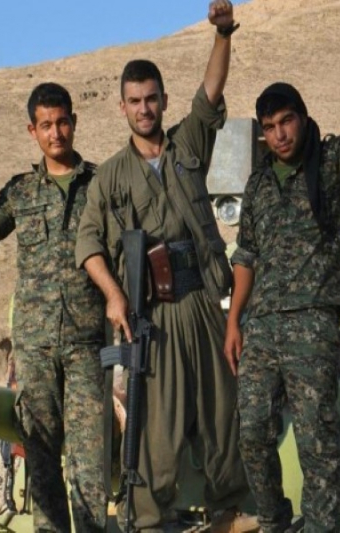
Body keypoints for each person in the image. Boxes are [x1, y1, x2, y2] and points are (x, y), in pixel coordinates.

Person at [223, 5, 340, 532]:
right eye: (270, 128)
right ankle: (275, 521)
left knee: (316, 440)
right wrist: (234, 321)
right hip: (262, 326)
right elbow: (246, 255)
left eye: (287, 122)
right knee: (252, 432)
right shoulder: (259, 185)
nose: (280, 134)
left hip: (312, 324)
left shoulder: (330, 166)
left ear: (302, 119)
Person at [75, 2, 256, 532]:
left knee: (223, 408)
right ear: (122, 107)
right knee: (160, 424)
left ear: (163, 100)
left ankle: (229, 508)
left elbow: (211, 93)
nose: (144, 108)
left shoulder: (187, 142)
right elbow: (88, 243)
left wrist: (222, 34)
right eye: (135, 101)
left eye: (152, 98)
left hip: (202, 298)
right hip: (152, 311)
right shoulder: (110, 177)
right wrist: (113, 295)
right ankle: (151, 520)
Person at [0, 83, 107, 533]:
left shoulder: (100, 185)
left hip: (86, 345)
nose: (55, 133)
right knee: (41, 459)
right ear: (32, 131)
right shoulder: (22, 192)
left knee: (89, 463)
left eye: (62, 122)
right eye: (45, 125)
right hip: (36, 346)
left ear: (74, 123)